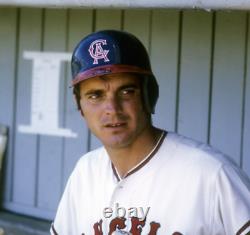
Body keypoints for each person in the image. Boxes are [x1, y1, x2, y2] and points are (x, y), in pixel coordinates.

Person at [51, 30, 250, 235]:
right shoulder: (85, 172)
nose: (112, 108)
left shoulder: (212, 174)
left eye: (126, 91)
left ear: (149, 95)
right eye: (95, 95)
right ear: (79, 105)